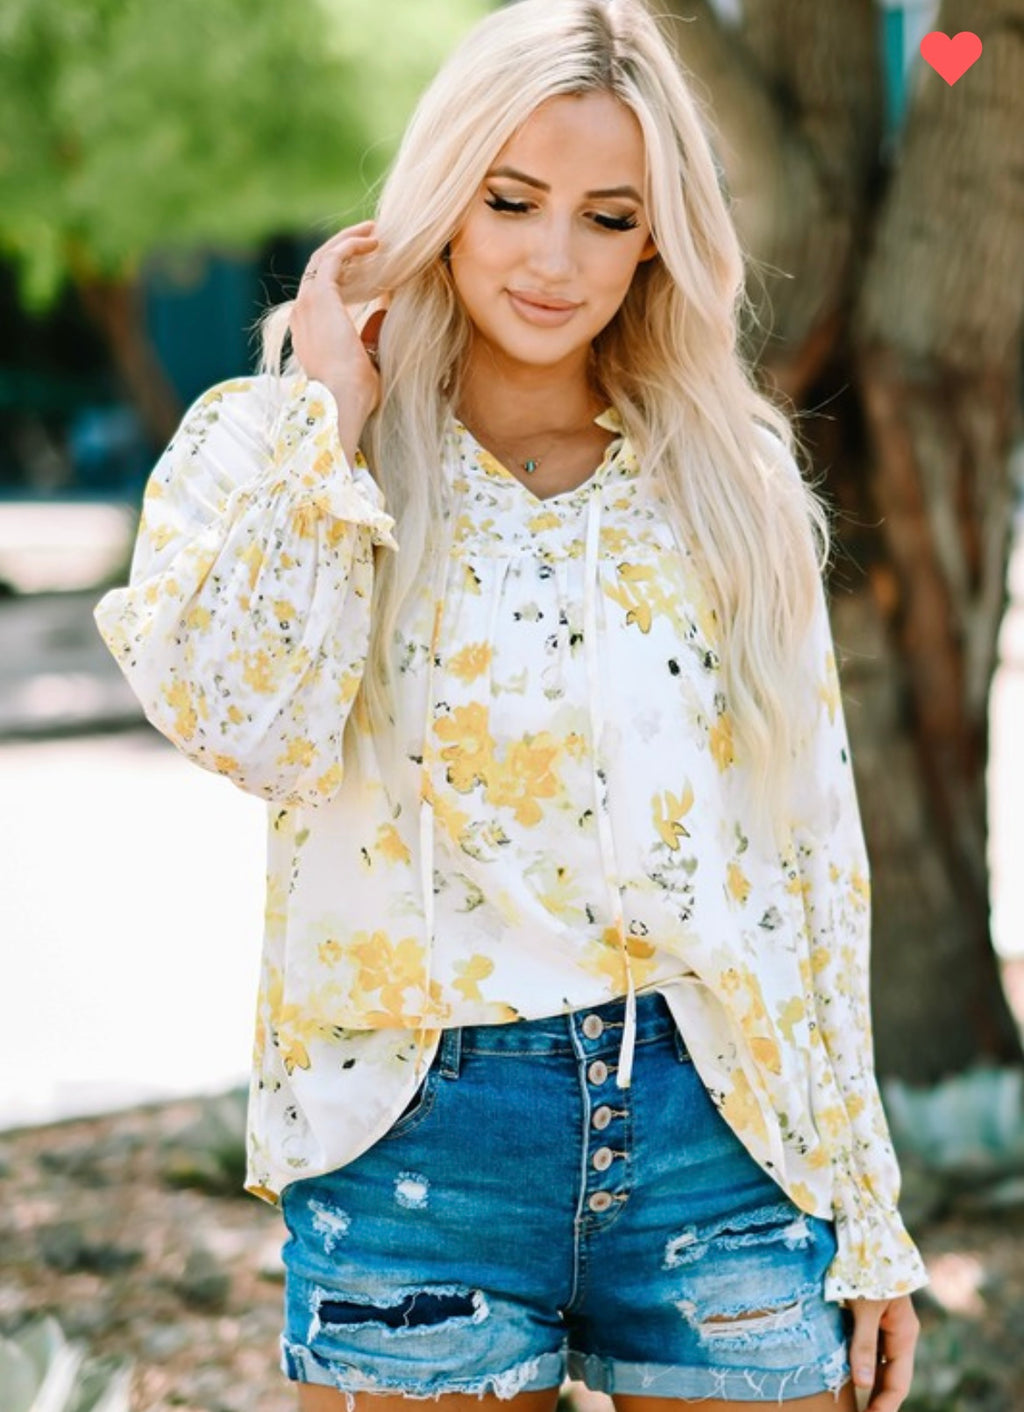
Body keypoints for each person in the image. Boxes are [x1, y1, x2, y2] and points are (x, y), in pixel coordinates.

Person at [94, 1, 929, 1408]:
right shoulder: (276, 443)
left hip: (714, 1122)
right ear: (444, 195)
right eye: (512, 200)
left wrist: (870, 1209)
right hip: (418, 1136)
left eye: (609, 216)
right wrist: (334, 419)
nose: (555, 259)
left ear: (659, 234)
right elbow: (250, 726)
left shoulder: (725, 480)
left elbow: (806, 852)